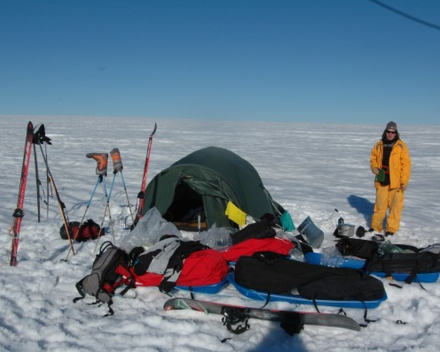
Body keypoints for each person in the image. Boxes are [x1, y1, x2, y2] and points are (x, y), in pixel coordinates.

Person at [369, 121, 411, 236]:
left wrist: (404, 181)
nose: (390, 134)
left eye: (393, 132)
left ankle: (391, 229)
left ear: (396, 133)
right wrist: (375, 168)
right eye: (388, 131)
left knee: (395, 208)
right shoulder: (378, 145)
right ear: (385, 132)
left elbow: (406, 165)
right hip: (382, 180)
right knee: (379, 206)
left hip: (396, 183)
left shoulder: (401, 146)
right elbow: (373, 159)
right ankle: (375, 227)